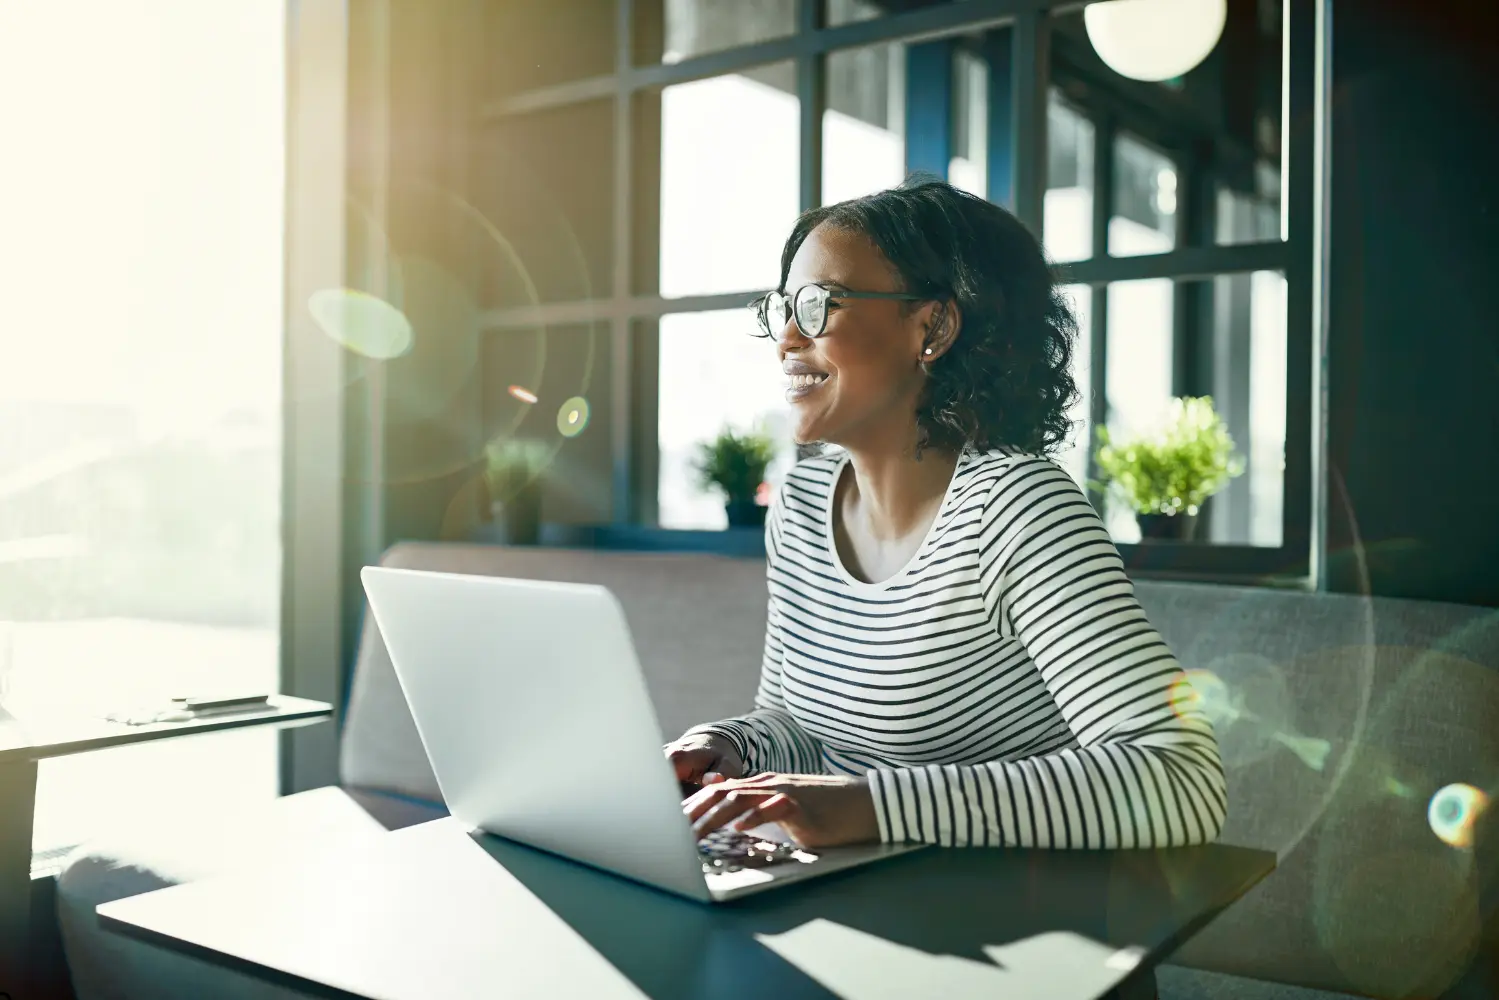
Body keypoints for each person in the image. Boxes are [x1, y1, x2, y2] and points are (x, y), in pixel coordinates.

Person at [665, 177, 1225, 850]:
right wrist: (730, 748)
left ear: (931, 328)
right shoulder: (801, 506)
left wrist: (871, 807)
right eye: (782, 307)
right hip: (854, 901)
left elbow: (1180, 778)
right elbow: (798, 725)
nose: (785, 337)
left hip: (1018, 924)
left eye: (817, 306)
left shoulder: (1019, 509)